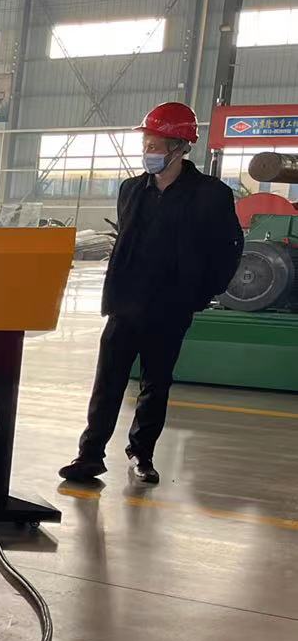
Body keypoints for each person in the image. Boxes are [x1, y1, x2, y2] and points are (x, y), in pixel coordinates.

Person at [59, 103, 243, 485]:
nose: (148, 152)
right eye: (146, 144)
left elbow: (229, 249)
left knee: (156, 385)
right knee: (107, 383)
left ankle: (142, 453)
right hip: (125, 304)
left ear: (180, 147)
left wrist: (200, 294)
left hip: (171, 307)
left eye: (155, 145)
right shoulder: (131, 190)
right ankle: (89, 456)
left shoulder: (211, 195)